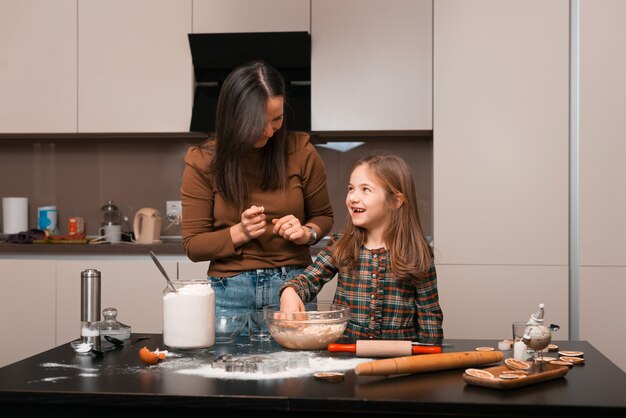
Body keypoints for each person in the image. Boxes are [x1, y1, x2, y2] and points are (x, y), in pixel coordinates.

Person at [181, 60, 334, 321]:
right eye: (258, 122)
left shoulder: (302, 151)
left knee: (300, 363)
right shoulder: (203, 160)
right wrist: (238, 233)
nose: (269, 131)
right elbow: (193, 245)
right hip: (230, 293)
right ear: (234, 118)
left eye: (277, 119)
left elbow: (324, 218)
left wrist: (306, 233)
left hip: (294, 289)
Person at [279, 154, 443, 342]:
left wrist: (430, 359)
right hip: (347, 358)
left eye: (366, 189)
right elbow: (308, 280)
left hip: (399, 361)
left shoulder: (417, 254)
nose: (353, 198)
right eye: (351, 189)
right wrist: (290, 292)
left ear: (395, 201)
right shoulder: (342, 244)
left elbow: (429, 318)